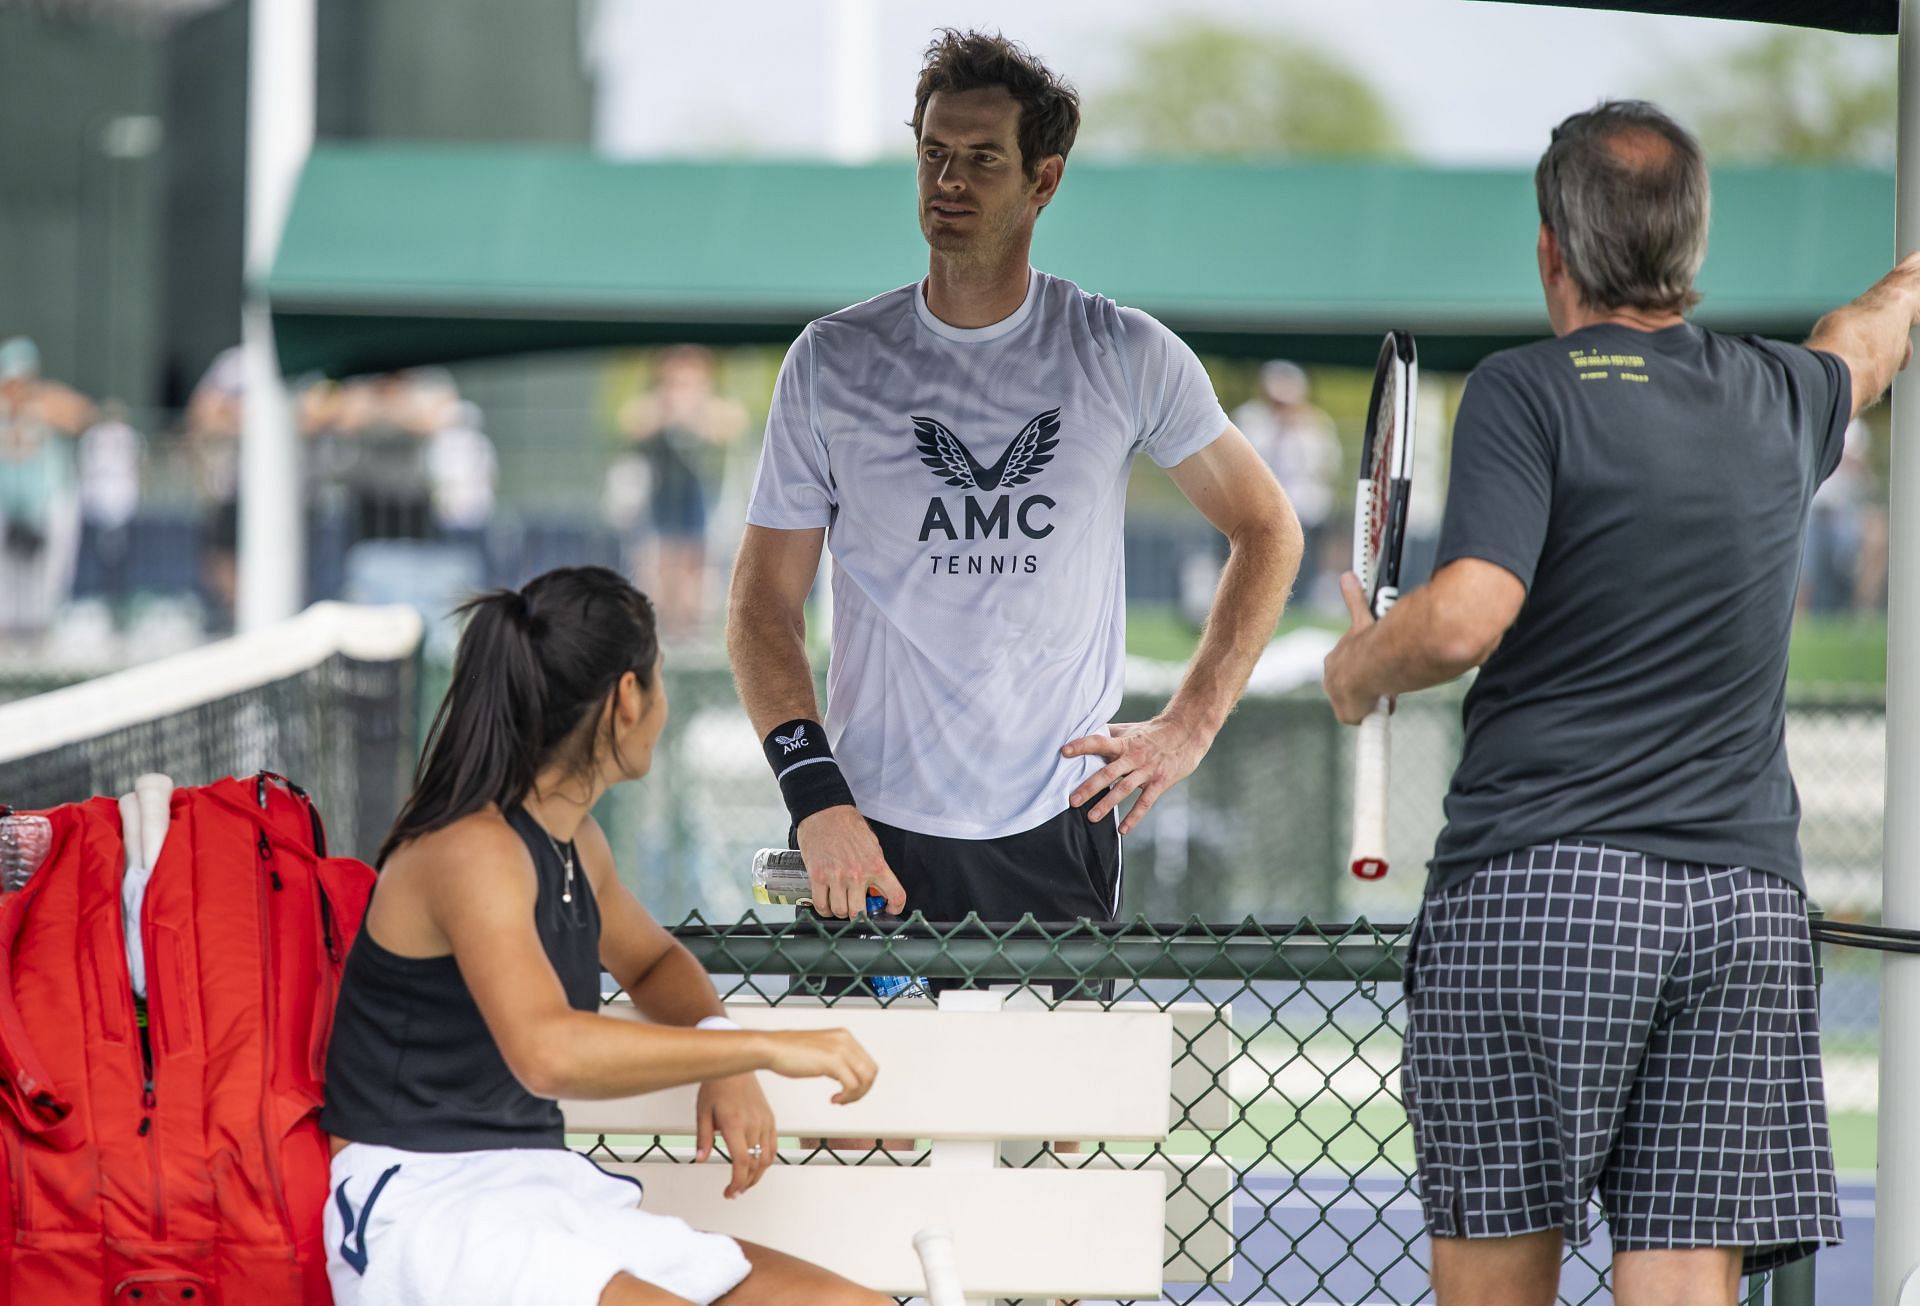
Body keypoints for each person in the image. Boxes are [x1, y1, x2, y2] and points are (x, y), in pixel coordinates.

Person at [1320, 100, 1920, 1306]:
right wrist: (1908, 287)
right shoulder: (1782, 395)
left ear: (1553, 248)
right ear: (1690, 252)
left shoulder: (1525, 390)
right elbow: (1872, 335)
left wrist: (1355, 666)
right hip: (1740, 910)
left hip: (1540, 888)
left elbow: (1465, 614)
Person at [727, 30, 1300, 932]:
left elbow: (1269, 528)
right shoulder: (831, 361)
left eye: (982, 159)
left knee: (1049, 1079)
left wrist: (1190, 723)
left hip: (1055, 830)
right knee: (860, 1078)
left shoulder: (1122, 350)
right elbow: (762, 605)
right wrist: (816, 799)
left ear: (1044, 179)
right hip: (863, 830)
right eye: (933, 153)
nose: (948, 181)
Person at [321, 565, 889, 1306]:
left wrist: (719, 1043)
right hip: (427, 1206)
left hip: (533, 1190)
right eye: (656, 681)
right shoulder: (472, 849)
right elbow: (547, 1053)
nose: (662, 706)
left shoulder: (576, 842)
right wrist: (763, 1047)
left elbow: (653, 963)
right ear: (628, 698)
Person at [616, 346, 746, 639]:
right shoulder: (654, 404)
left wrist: (696, 415)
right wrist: (666, 410)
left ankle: (691, 632)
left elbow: (732, 424)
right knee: (658, 568)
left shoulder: (712, 406)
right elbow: (631, 422)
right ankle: (661, 631)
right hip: (659, 502)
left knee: (694, 569)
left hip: (698, 501)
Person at [1231, 360, 1338, 606]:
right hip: (1257, 506)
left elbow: (1324, 465)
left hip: (1304, 509)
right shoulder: (1251, 418)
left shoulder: (1315, 425)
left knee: (1301, 564)